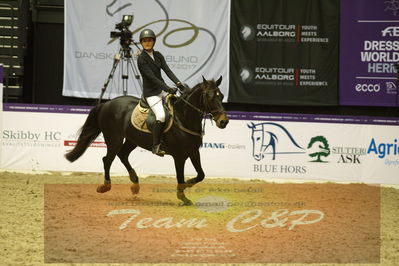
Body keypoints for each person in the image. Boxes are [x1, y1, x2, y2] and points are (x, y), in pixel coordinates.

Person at [137, 28, 185, 156]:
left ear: (154, 42)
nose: (147, 43)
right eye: (145, 41)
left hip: (161, 89)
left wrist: (179, 84)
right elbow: (151, 78)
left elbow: (168, 71)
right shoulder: (141, 59)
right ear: (141, 43)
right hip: (151, 93)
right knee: (161, 116)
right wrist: (167, 88)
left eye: (150, 40)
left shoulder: (158, 55)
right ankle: (156, 146)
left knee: (179, 104)